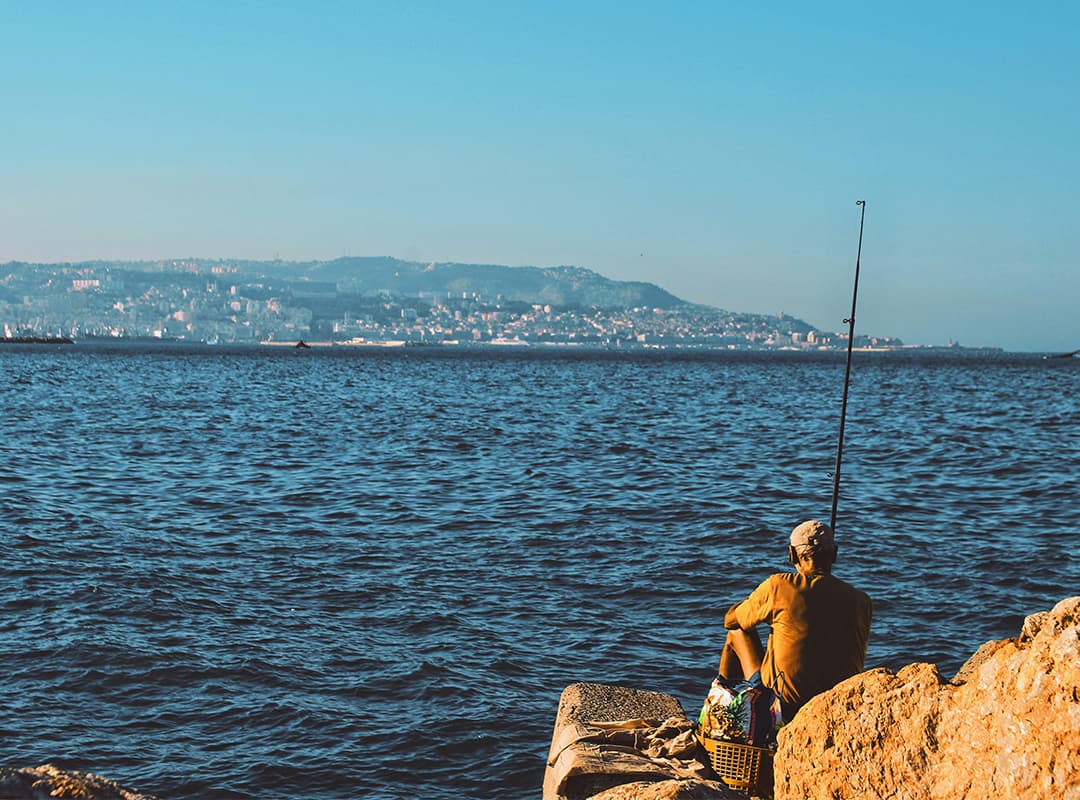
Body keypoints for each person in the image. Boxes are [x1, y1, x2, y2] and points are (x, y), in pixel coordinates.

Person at [717, 519, 872, 722]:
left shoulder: (779, 586)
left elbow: (731, 620)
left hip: (783, 706)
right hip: (836, 705)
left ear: (792, 554)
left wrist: (753, 603)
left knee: (737, 632)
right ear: (834, 554)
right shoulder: (861, 600)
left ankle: (720, 714)